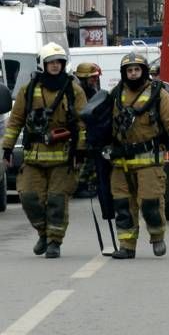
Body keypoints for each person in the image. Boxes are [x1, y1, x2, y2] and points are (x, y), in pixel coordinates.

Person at [1, 43, 87, 258]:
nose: (55, 66)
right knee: (29, 197)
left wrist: (80, 151)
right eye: (51, 63)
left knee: (57, 200)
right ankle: (43, 233)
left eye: (58, 62)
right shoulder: (28, 90)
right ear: (43, 64)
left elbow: (83, 124)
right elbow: (16, 122)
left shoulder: (73, 90)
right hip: (33, 157)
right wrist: (7, 149)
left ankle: (54, 242)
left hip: (63, 158)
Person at [107, 53, 169, 259]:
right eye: (129, 70)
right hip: (121, 161)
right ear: (124, 73)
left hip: (149, 159)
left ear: (144, 71)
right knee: (123, 205)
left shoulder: (159, 94)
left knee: (150, 203)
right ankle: (126, 246)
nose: (133, 74)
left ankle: (157, 237)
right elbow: (104, 124)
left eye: (137, 70)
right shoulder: (115, 95)